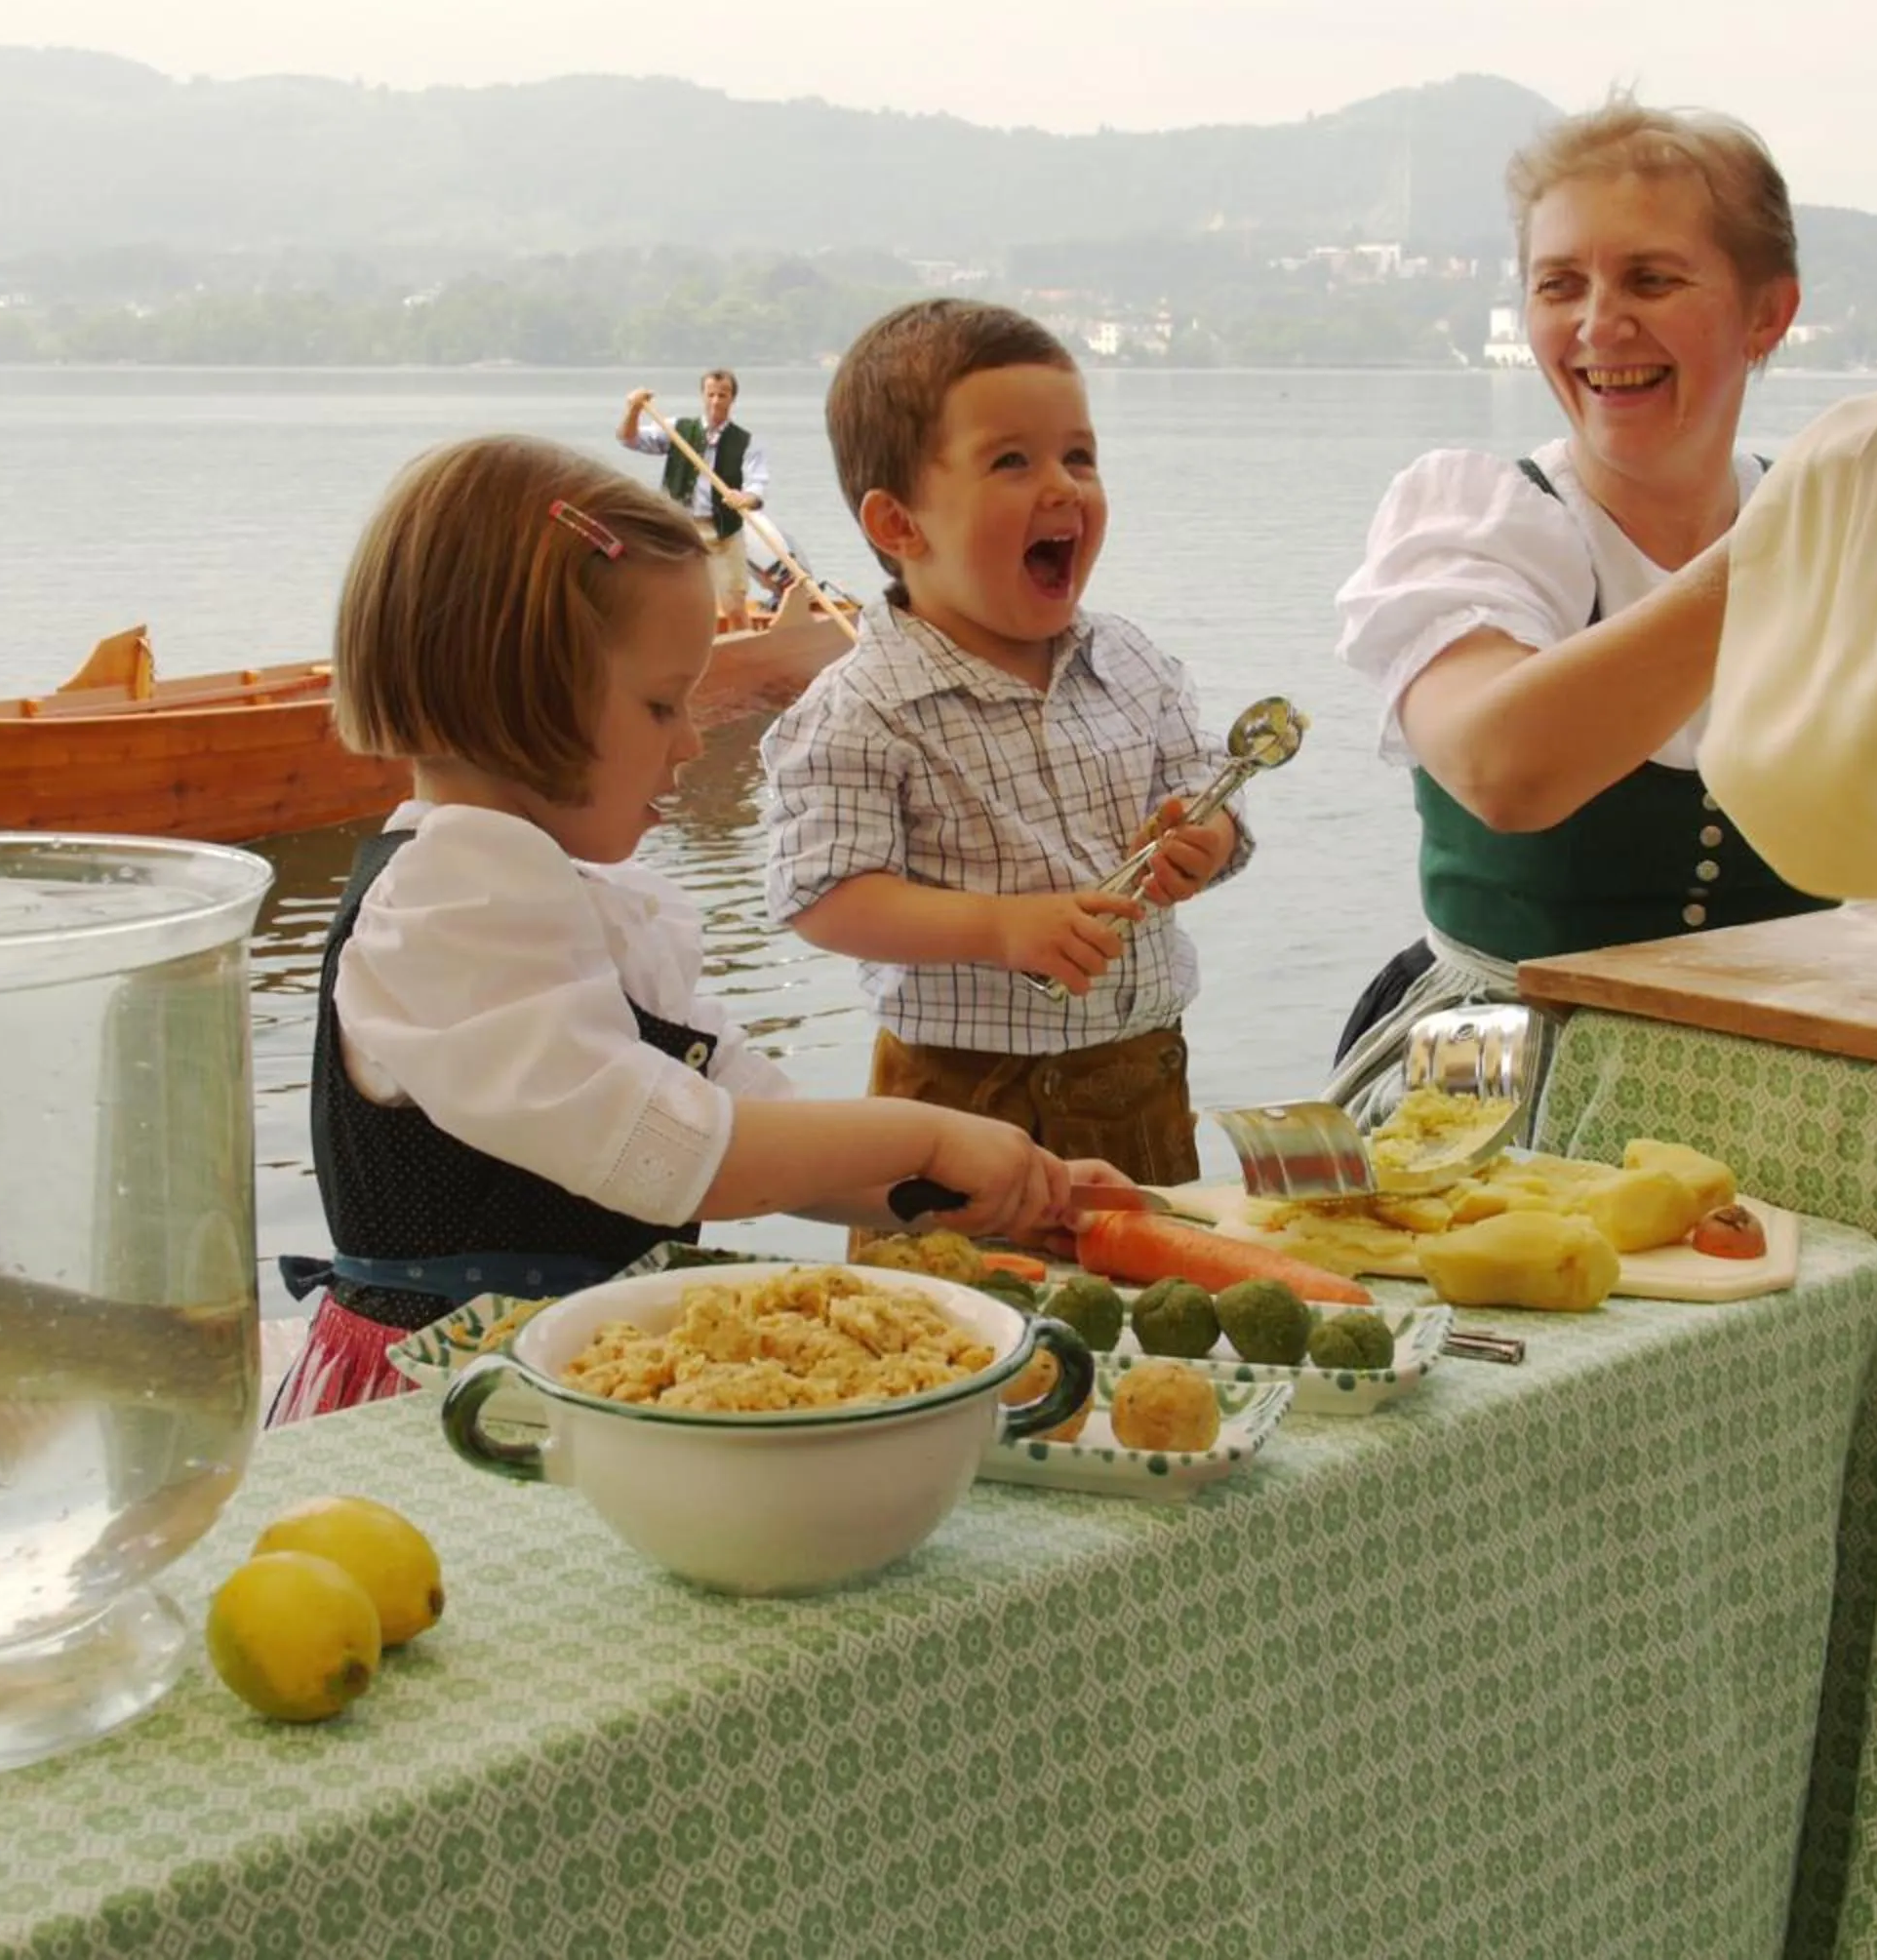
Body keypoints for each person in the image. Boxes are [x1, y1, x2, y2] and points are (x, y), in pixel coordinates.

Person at [1327, 94, 1877, 1111]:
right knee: (1500, 1258)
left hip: (1780, 1051)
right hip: (1494, 1055)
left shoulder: (1843, 515)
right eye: (1558, 283)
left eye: (1651, 279)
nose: (1597, 322)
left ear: (1768, 313)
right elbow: (1504, 771)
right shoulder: (1484, 520)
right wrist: (1788, 548)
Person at [269, 434, 1112, 1421]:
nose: (693, 740)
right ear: (522, 693)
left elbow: (745, 1116)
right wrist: (926, 1128)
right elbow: (666, 1152)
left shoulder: (559, 897)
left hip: (572, 1376)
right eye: (663, 704)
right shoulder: (455, 896)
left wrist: (985, 1187)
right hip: (453, 1400)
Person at [759, 300, 1249, 1188]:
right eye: (1011, 461)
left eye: (1079, 456)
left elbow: (1212, 780)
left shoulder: (1130, 661)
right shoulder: (865, 706)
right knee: (955, 1312)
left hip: (1140, 1078)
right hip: (958, 1094)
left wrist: (1203, 844)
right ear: (899, 524)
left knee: (1151, 1308)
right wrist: (999, 928)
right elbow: (824, 894)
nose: (1062, 486)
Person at [617, 370, 770, 631]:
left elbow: (757, 485)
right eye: (710, 394)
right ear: (703, 396)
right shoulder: (678, 430)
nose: (715, 401)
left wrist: (745, 498)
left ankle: (746, 651)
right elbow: (628, 439)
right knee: (678, 602)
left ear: (732, 399)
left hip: (724, 532)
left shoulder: (746, 441)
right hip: (682, 530)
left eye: (722, 395)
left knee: (734, 605)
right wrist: (633, 409)